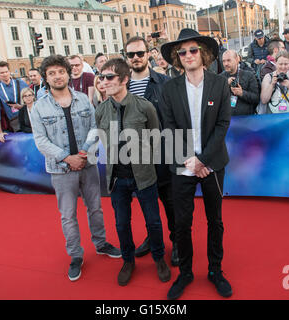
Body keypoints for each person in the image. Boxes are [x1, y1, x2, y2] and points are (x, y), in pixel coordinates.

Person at [30, 55, 121, 282]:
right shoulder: (39, 107)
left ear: (68, 73)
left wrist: (82, 155)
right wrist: (66, 158)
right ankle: (76, 256)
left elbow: (94, 128)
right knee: (68, 215)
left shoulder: (82, 100)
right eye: (51, 73)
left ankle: (100, 243)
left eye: (61, 71)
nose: (57, 76)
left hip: (87, 164)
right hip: (61, 170)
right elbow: (41, 141)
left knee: (96, 208)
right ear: (46, 78)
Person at [160, 28, 232, 299]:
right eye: (182, 52)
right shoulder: (169, 89)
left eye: (193, 50)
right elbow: (169, 127)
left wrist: (203, 160)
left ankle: (215, 270)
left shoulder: (219, 84)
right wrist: (190, 161)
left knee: (215, 219)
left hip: (212, 163)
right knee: (182, 221)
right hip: (182, 163)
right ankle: (185, 273)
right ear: (178, 58)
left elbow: (223, 124)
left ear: (203, 54)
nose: (188, 55)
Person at [95, 58, 171, 286]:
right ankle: (128, 261)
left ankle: (159, 258)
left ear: (124, 79)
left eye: (110, 77)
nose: (104, 81)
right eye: (101, 77)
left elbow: (156, 139)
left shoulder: (145, 107)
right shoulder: (100, 111)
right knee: (121, 224)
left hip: (144, 176)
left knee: (154, 222)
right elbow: (104, 141)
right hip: (117, 180)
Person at [125, 36, 178, 267]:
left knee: (170, 203)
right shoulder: (121, 85)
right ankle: (153, 238)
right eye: (131, 55)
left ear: (149, 54)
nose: (136, 58)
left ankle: (177, 242)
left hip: (162, 154)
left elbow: (174, 119)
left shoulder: (165, 83)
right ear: (126, 58)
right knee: (147, 204)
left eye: (140, 53)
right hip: (134, 157)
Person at [0, 61, 28, 142]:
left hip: (28, 119)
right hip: (14, 123)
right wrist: (0, 132)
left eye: (6, 71)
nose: (4, 74)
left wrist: (21, 106)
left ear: (9, 72)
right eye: (2, 73)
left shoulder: (21, 83)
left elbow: (33, 101)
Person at [221, 50, 260, 115]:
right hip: (228, 119)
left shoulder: (249, 75)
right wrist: (225, 85)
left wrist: (242, 93)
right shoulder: (220, 78)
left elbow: (256, 98)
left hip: (246, 118)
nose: (226, 64)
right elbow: (215, 100)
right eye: (223, 61)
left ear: (237, 60)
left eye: (228, 60)